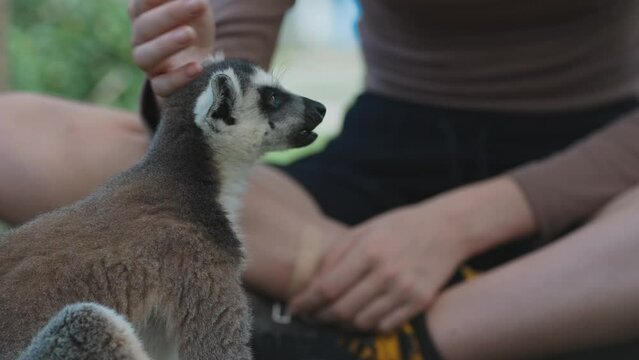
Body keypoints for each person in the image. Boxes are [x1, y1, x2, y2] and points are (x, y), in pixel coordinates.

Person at [2, 0, 639, 358]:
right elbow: (231, 58)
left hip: (604, 169)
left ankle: (400, 337)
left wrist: (458, 224)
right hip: (384, 156)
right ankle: (357, 284)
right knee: (18, 132)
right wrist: (191, 70)